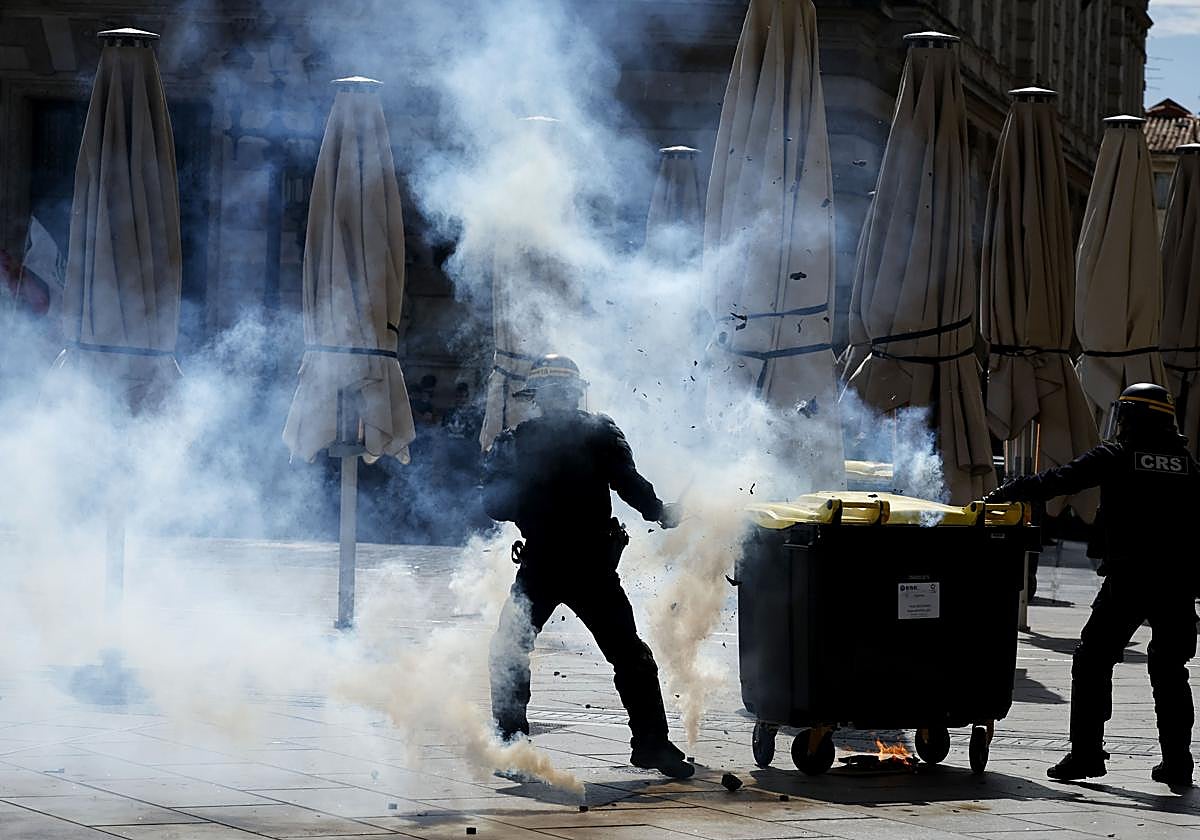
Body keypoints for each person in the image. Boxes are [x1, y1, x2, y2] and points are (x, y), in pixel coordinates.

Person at [482, 353, 691, 778]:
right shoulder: (540, 439)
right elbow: (494, 505)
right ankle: (514, 747)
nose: (559, 399)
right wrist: (660, 512)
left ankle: (650, 744)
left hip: (576, 565)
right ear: (547, 397)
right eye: (555, 392)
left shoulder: (577, 435)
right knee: (514, 651)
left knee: (624, 653)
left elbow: (628, 483)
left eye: (561, 392)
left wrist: (658, 511)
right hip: (557, 565)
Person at [986, 383, 1200, 787]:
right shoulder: (1187, 465)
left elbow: (1060, 479)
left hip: (1129, 578)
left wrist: (1011, 490)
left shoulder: (1117, 456)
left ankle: (1086, 754)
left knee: (1092, 660)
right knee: (1171, 670)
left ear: (1133, 418)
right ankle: (1178, 762)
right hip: (1177, 582)